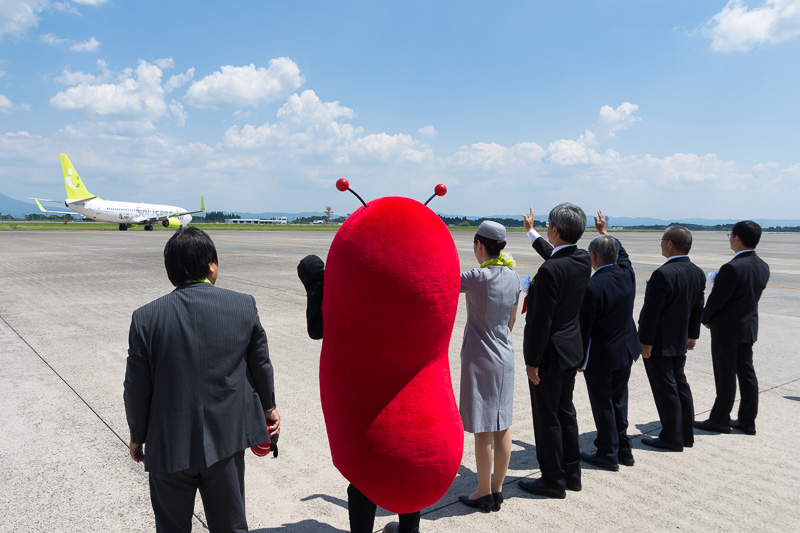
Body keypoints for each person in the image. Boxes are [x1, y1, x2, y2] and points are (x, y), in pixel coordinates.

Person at [124, 227, 280, 533]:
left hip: (169, 443)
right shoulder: (242, 305)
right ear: (212, 266)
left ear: (171, 272)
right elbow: (260, 363)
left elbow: (136, 387)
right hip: (225, 441)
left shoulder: (145, 318)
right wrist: (269, 408)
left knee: (171, 527)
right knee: (231, 526)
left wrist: (137, 435)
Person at [297, 255, 420, 533]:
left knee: (366, 476)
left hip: (368, 393)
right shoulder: (404, 281)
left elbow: (317, 328)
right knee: (406, 465)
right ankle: (410, 530)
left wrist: (317, 281)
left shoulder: (351, 287)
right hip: (406, 389)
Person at [517, 203, 591, 500]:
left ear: (556, 230)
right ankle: (571, 474)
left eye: (548, 225)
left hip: (548, 354)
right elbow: (555, 255)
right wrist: (531, 232)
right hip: (571, 350)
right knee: (565, 412)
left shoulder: (550, 271)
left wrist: (531, 361)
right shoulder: (582, 259)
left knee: (546, 417)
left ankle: (552, 480)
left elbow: (539, 322)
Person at [456, 221, 520, 513]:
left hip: (481, 358)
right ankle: (496, 489)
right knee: (502, 424)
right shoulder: (513, 276)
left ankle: (482, 492)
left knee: (483, 427)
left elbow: (440, 282)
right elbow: (511, 320)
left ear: (479, 245)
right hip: (505, 356)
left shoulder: (477, 277)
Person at [694, 221, 770, 436]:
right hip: (748, 326)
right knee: (747, 374)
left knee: (725, 374)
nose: (729, 238)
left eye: (730, 235)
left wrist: (706, 318)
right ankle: (747, 421)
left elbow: (717, 299)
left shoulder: (732, 267)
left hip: (727, 329)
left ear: (737, 238)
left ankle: (719, 419)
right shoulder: (762, 265)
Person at [578, 211, 640, 471]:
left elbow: (584, 329)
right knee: (618, 400)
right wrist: (605, 231)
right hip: (625, 351)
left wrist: (579, 359)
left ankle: (607, 453)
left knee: (603, 404)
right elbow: (622, 254)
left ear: (593, 257)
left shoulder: (593, 286)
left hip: (601, 356)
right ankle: (623, 450)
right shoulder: (626, 273)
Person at [638, 226, 705, 452]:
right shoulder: (697, 272)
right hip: (680, 340)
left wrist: (645, 341)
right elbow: (698, 306)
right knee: (680, 385)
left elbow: (651, 312)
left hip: (659, 342)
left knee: (666, 389)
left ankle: (671, 437)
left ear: (669, 244)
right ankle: (686, 434)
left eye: (662, 240)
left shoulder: (662, 274)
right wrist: (693, 335)